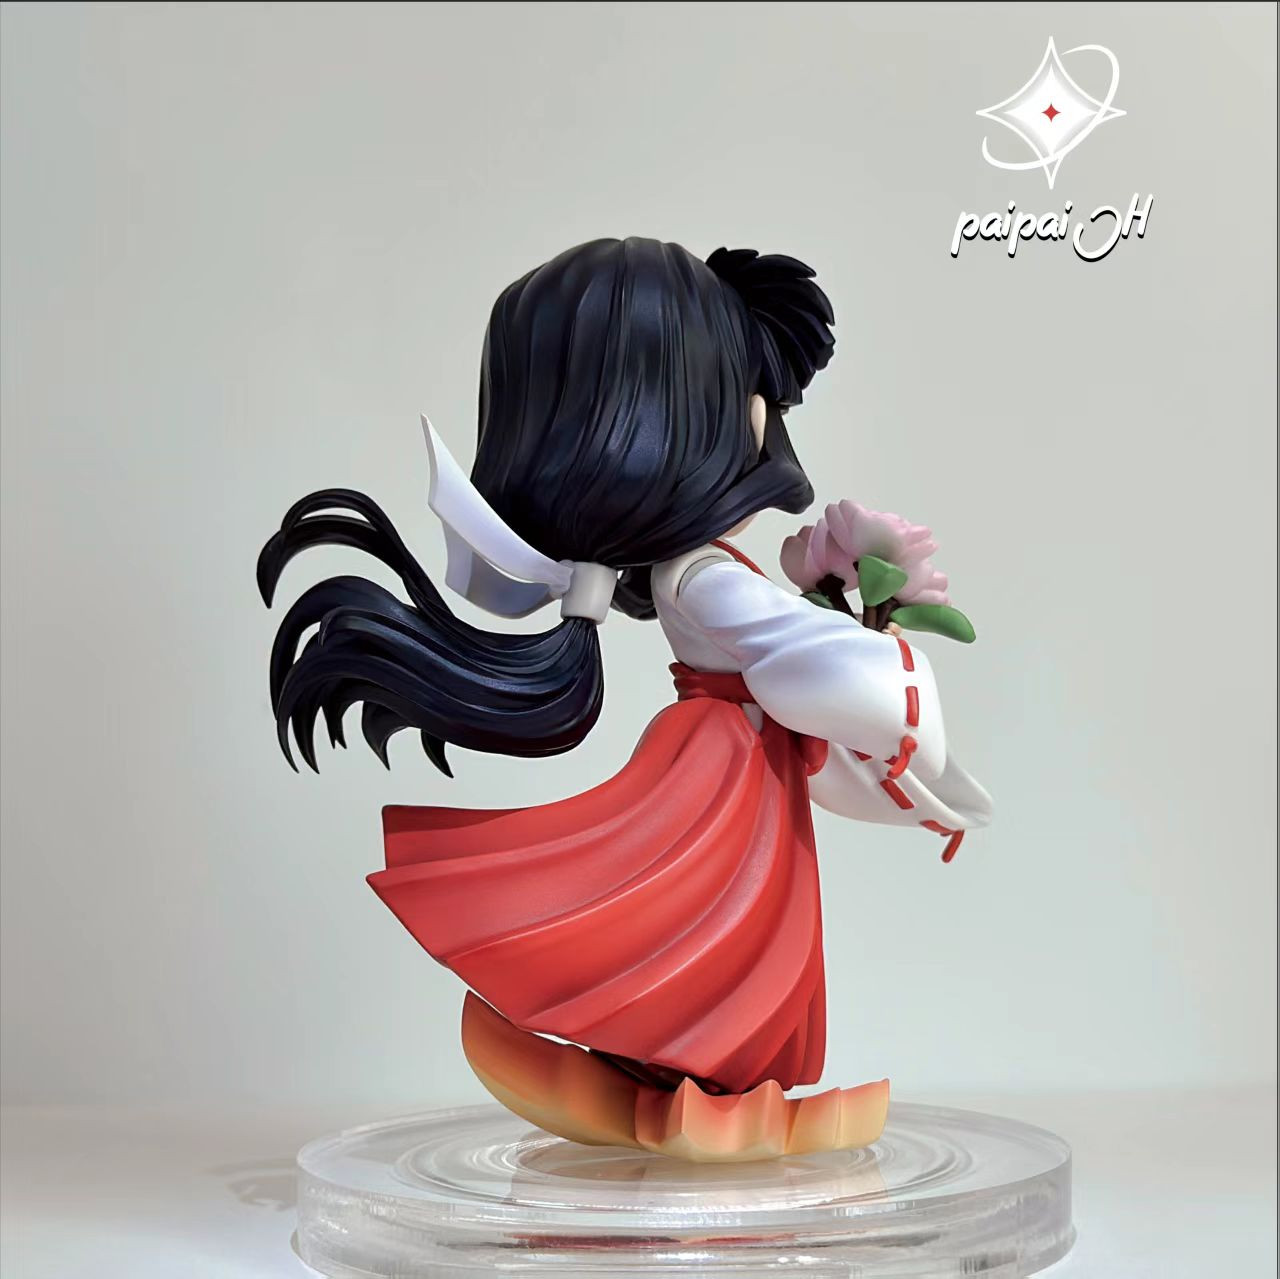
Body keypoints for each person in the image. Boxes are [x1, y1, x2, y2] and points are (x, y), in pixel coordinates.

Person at [258, 238, 991, 1158]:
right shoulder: (706, 579)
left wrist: (872, 684)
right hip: (730, 773)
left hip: (737, 761)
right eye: (754, 402)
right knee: (703, 932)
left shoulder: (701, 572)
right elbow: (807, 662)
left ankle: (689, 1079)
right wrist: (895, 683)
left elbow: (800, 661)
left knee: (700, 931)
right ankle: (699, 1083)